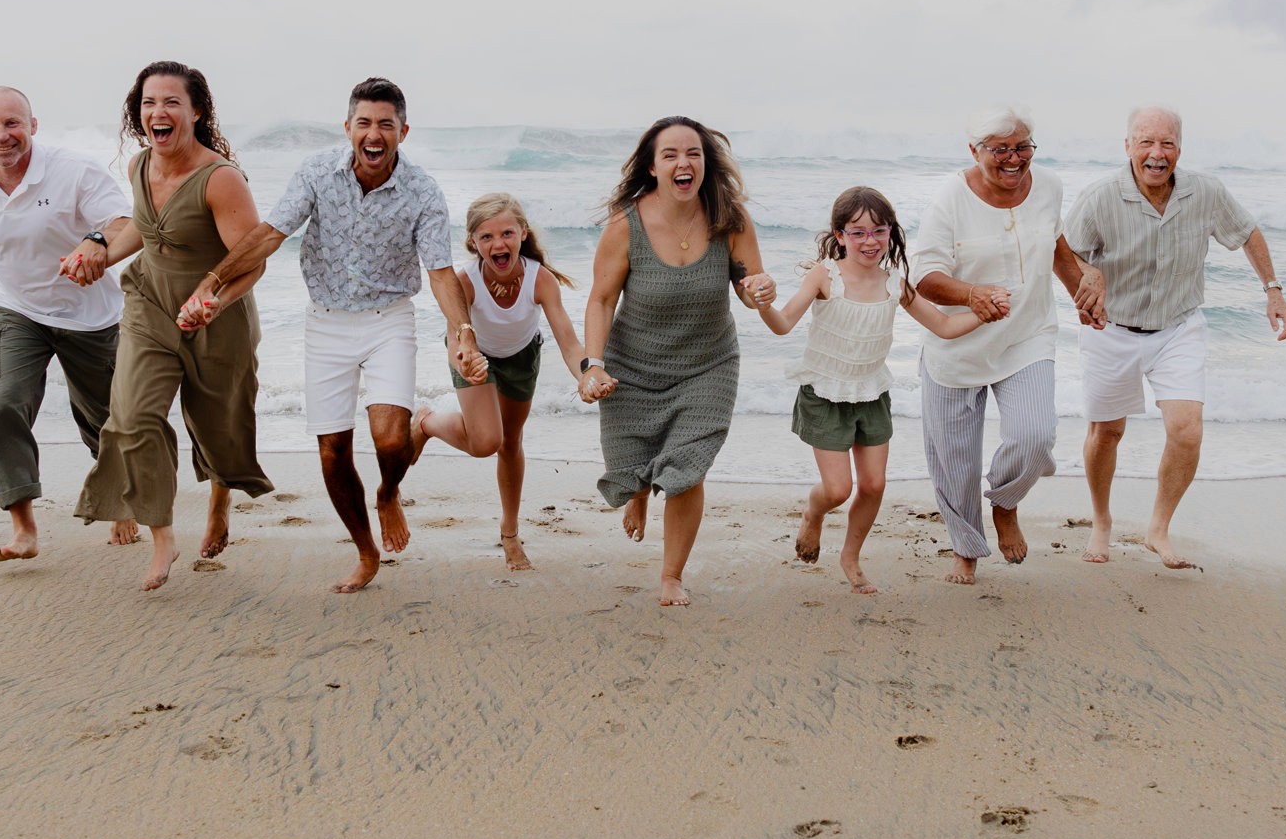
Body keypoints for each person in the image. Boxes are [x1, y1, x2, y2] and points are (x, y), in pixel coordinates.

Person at [179, 77, 477, 594]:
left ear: (403, 132)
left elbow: (440, 272)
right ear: (348, 128)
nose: (374, 133)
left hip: (389, 320)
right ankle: (366, 552)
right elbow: (271, 233)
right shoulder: (317, 172)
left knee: (388, 438)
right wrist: (212, 281)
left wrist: (463, 333)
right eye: (364, 123)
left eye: (386, 123)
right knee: (333, 451)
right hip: (325, 323)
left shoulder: (423, 190)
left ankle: (388, 492)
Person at [72, 62, 275, 591]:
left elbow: (253, 259)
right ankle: (162, 533)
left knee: (218, 430)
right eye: (148, 104)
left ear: (196, 111)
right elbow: (141, 233)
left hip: (217, 319)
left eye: (170, 103)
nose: (157, 113)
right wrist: (97, 255)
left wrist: (215, 300)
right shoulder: (141, 165)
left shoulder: (220, 179)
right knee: (133, 416)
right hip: (149, 306)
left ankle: (219, 501)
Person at [1065, 106, 1286, 569]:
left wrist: (1272, 290)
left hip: (1178, 327)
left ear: (1179, 150)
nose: (1156, 153)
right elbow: (1065, 252)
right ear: (1127, 146)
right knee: (1107, 432)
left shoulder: (1204, 192)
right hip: (1111, 328)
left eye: (1167, 143)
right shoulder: (1100, 197)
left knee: (1187, 432)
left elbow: (1246, 232)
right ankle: (1102, 521)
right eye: (1146, 142)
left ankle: (1158, 529)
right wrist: (1088, 277)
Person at [577, 118, 777, 607]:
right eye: (670, 155)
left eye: (693, 153)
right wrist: (593, 366)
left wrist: (760, 292)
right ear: (653, 165)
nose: (683, 163)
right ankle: (642, 489)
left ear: (706, 164)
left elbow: (750, 289)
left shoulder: (731, 218)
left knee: (688, 468)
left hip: (708, 364)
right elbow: (601, 300)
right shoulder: (626, 225)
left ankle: (670, 575)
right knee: (636, 463)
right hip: (634, 366)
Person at [754, 186, 990, 595]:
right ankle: (813, 514)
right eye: (858, 232)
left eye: (878, 231)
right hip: (825, 393)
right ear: (840, 234)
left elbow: (945, 327)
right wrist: (762, 304)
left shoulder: (896, 283)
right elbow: (782, 325)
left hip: (871, 393)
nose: (869, 241)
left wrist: (985, 315)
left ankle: (850, 556)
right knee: (837, 490)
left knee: (874, 485)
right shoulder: (825, 275)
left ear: (890, 234)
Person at [0, 85, 132, 563]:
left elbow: (126, 222)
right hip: (17, 310)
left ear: (33, 127)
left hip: (90, 314)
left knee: (103, 419)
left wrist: (94, 243)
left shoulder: (73, 171)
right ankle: (23, 526)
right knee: (6, 403)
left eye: (12, 124)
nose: (2, 136)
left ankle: (122, 500)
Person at [912, 105, 1107, 586]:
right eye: (999, 150)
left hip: (1027, 335)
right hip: (959, 345)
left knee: (1035, 435)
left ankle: (1004, 503)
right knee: (955, 462)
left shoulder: (1049, 186)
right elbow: (924, 278)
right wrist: (971, 296)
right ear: (974, 152)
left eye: (1022, 147)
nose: (1014, 159)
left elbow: (1056, 249)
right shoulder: (949, 200)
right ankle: (966, 548)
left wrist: (1084, 288)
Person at [410, 193, 585, 570]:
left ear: (523, 233)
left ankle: (510, 532)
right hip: (474, 355)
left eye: (507, 233)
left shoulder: (541, 280)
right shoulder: (464, 280)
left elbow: (569, 342)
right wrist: (465, 359)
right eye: (486, 237)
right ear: (473, 242)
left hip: (522, 358)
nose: (498, 244)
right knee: (486, 442)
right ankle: (425, 421)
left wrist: (587, 375)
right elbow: (455, 336)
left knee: (511, 443)